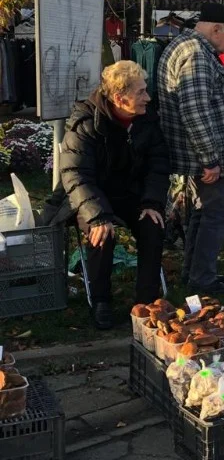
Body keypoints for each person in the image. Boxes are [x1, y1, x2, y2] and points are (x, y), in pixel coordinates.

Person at [60, 61, 170, 329]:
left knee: (152, 225)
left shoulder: (147, 119)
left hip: (131, 194)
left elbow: (158, 164)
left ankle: (147, 302)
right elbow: (76, 174)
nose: (148, 97)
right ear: (121, 98)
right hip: (94, 195)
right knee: (101, 233)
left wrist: (152, 202)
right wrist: (97, 216)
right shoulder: (85, 122)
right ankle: (101, 301)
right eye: (141, 92)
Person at [157, 2, 224, 295]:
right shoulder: (196, 53)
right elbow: (195, 110)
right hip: (208, 156)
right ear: (216, 28)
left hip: (201, 154)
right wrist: (210, 159)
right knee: (215, 215)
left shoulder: (186, 47)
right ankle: (202, 278)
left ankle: (195, 274)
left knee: (202, 214)